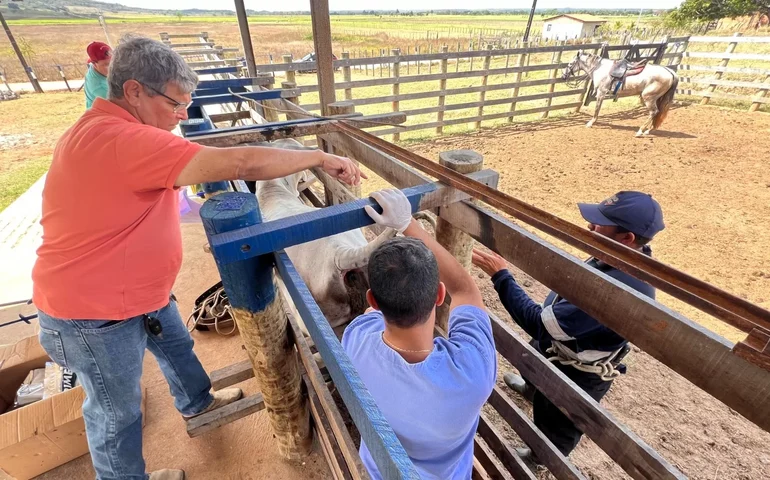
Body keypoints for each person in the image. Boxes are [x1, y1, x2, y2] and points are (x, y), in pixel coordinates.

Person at [33, 35, 364, 480]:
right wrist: (318, 156)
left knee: (176, 345)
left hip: (133, 291)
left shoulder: (96, 128)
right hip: (94, 312)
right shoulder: (128, 141)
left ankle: (197, 402)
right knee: (116, 414)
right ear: (133, 91)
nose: (183, 115)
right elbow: (241, 164)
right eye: (174, 104)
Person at [472, 191, 665, 461]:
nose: (590, 226)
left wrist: (502, 276)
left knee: (559, 419)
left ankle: (541, 458)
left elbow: (537, 323)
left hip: (576, 366)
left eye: (599, 224)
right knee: (536, 361)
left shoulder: (616, 292)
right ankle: (532, 388)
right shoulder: (618, 256)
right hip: (561, 340)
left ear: (626, 238)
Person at [342, 189, 497, 479]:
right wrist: (408, 224)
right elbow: (465, 289)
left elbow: (368, 318)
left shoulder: (356, 341)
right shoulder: (474, 371)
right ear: (439, 295)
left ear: (373, 300)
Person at [84, 41, 112, 109]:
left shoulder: (99, 70)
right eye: (107, 64)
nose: (113, 67)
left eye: (113, 61)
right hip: (105, 117)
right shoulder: (101, 88)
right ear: (94, 64)